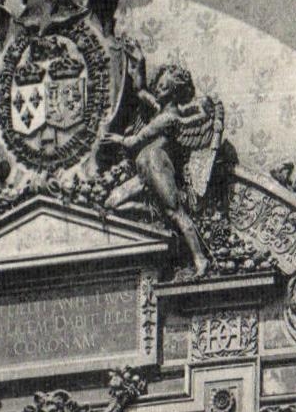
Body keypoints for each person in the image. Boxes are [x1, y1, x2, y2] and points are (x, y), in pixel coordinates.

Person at [97, 64, 226, 277]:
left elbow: (136, 140)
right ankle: (151, 217)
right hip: (144, 170)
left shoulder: (170, 117)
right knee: (109, 204)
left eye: (164, 87)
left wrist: (117, 139)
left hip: (157, 165)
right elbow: (141, 91)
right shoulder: (162, 110)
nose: (158, 89)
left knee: (175, 211)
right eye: (159, 84)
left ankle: (200, 259)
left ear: (175, 92)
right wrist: (137, 64)